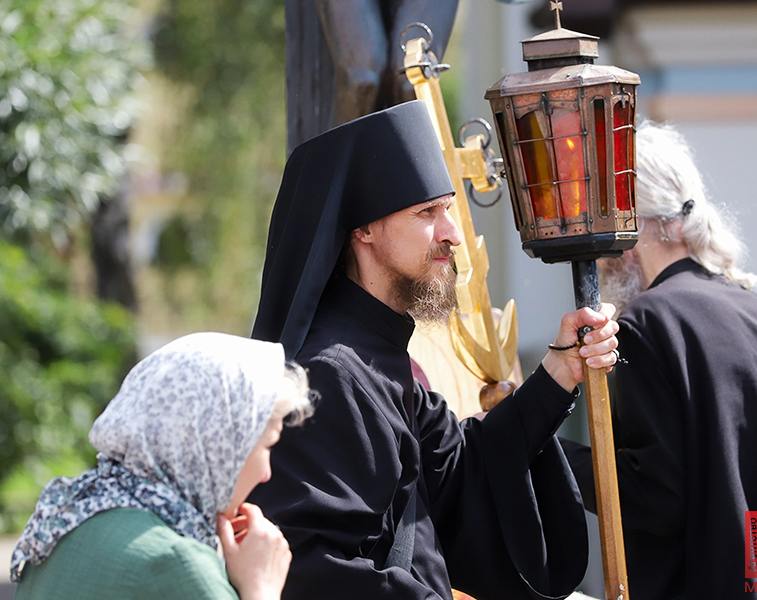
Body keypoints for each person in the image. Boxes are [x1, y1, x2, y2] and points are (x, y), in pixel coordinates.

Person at [249, 99, 620, 600]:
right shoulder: (328, 373)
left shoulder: (379, 356)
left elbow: (463, 470)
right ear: (363, 229)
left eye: (448, 208)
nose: (453, 234)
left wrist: (559, 370)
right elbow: (315, 568)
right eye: (429, 212)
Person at [561, 122, 757, 599]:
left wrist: (541, 449)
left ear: (651, 223)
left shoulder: (651, 320)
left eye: (610, 223)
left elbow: (657, 497)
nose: (604, 253)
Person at [10, 332, 315, 600]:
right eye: (267, 447)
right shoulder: (176, 563)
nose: (266, 474)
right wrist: (262, 587)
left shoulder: (64, 519)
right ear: (217, 443)